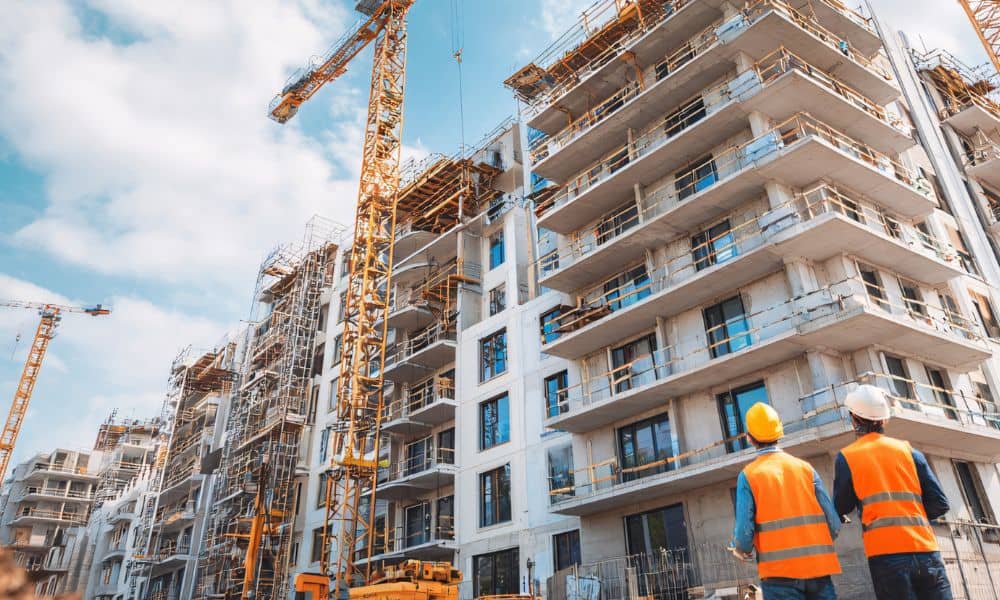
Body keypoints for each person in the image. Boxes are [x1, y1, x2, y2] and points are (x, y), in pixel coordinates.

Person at [833, 384, 952, 600]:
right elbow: (940, 503)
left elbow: (841, 506)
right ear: (884, 420)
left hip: (885, 555)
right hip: (925, 549)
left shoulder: (847, 457)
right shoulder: (910, 451)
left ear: (854, 419)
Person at [732, 402, 841, 599]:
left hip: (778, 575)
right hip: (818, 570)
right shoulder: (806, 468)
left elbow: (743, 532)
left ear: (749, 438)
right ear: (779, 432)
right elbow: (833, 523)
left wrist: (741, 549)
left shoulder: (748, 475)